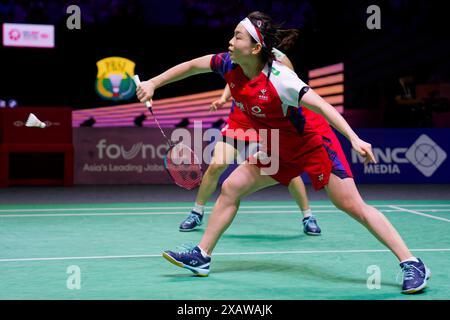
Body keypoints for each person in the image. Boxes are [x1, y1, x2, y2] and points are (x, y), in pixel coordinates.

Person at [136, 12, 431, 294]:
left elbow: (324, 107)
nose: (230, 41)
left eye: (237, 37)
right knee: (231, 187)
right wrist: (153, 83)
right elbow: (189, 66)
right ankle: (202, 256)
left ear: (255, 47)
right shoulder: (227, 64)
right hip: (278, 148)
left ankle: (412, 263)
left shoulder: (281, 79)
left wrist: (354, 138)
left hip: (313, 144)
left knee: (351, 205)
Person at [179, 47, 322, 236]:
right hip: (240, 121)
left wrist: (274, 51)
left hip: (268, 123)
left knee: (289, 172)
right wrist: (223, 98)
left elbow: (291, 73)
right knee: (216, 165)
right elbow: (232, 78)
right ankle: (196, 212)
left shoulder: (273, 63)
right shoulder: (239, 59)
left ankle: (307, 216)